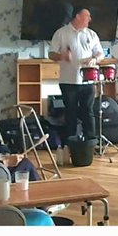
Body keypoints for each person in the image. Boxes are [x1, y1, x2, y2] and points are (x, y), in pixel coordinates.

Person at [49, 8, 104, 145]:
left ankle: (91, 143)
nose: (90, 19)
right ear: (78, 16)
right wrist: (62, 56)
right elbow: (51, 54)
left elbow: (100, 54)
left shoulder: (91, 34)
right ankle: (70, 144)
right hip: (68, 81)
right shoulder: (61, 33)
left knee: (88, 112)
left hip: (88, 80)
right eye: (87, 16)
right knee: (70, 113)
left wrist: (94, 59)